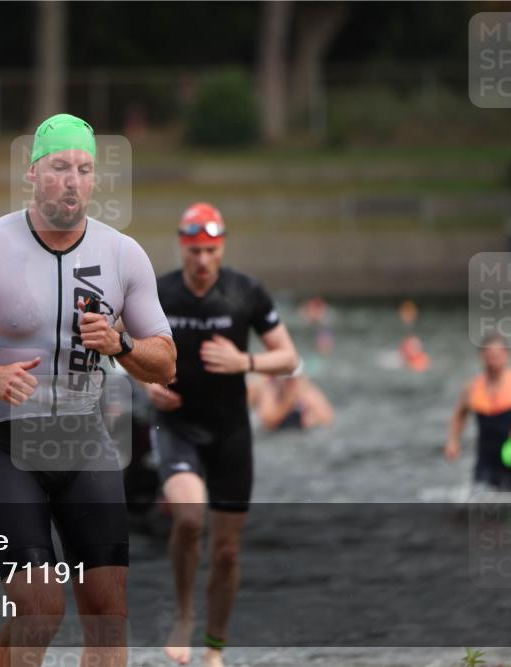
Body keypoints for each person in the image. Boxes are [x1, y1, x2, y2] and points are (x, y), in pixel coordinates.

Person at [0, 113, 176, 667]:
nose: (72, 180)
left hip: (86, 440)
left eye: (83, 169)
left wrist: (121, 344)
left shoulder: (124, 255)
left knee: (107, 614)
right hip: (8, 444)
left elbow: (165, 362)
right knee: (39, 606)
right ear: (32, 173)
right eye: (58, 167)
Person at [145, 202, 299, 667]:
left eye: (211, 250)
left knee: (228, 552)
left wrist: (245, 362)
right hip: (177, 427)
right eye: (194, 250)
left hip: (231, 432)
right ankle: (185, 616)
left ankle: (214, 649)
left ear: (222, 247)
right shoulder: (160, 292)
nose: (202, 260)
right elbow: (121, 347)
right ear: (182, 247)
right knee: (190, 520)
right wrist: (146, 382)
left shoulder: (246, 292)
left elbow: (288, 357)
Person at [445, 333, 511, 492]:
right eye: (489, 356)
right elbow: (459, 415)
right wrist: (453, 441)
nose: (493, 361)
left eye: (498, 356)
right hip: (485, 461)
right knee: (477, 506)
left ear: (507, 354)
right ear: (481, 356)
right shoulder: (472, 388)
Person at [252, 374, 334, 431]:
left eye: (293, 379)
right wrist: (289, 401)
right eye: (287, 380)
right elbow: (268, 421)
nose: (290, 382)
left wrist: (313, 418)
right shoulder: (271, 389)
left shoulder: (305, 390)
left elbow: (328, 417)